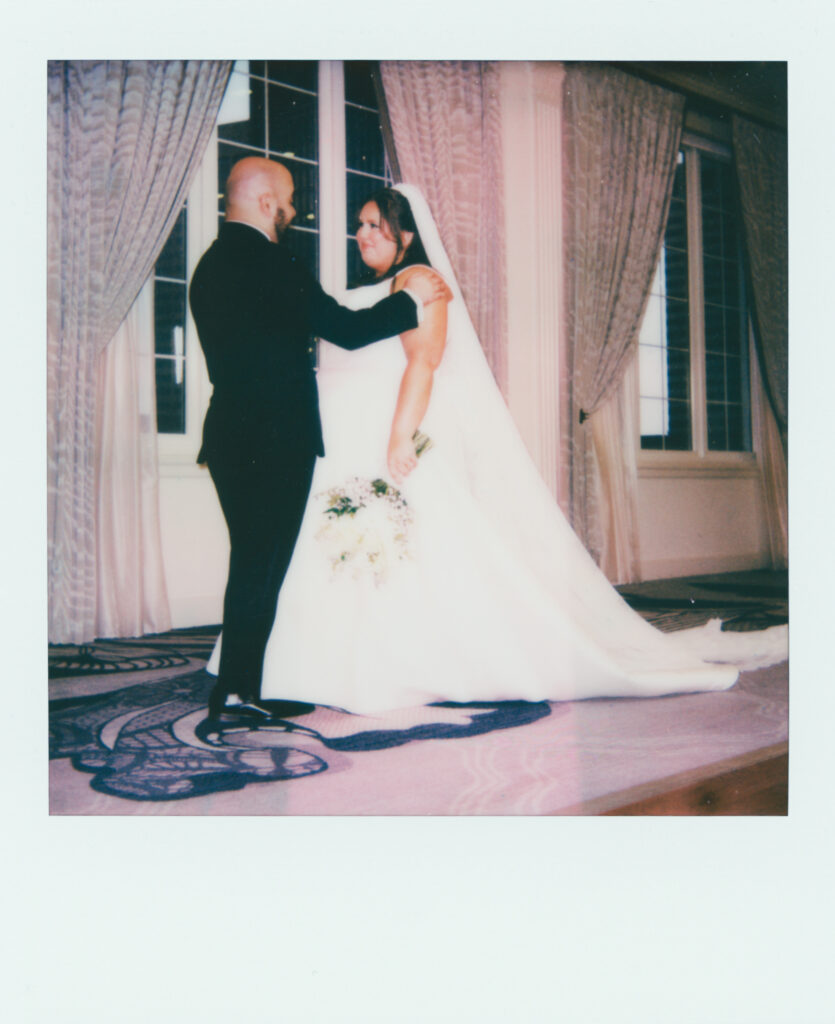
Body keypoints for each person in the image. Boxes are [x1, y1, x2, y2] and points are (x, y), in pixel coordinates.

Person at [208, 184, 787, 715]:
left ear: (407, 235)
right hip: (335, 449)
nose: (362, 234)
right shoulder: (368, 291)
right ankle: (285, 670)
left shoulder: (420, 285)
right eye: (359, 224)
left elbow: (422, 366)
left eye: (376, 225)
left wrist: (399, 438)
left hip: (384, 445)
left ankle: (365, 668)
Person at [189, 160, 450, 722]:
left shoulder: (207, 268)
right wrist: (413, 300)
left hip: (229, 434)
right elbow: (349, 332)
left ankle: (247, 681)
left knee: (253, 561)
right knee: (262, 565)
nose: (291, 212)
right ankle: (238, 690)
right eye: (286, 201)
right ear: (264, 203)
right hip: (279, 439)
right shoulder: (274, 262)